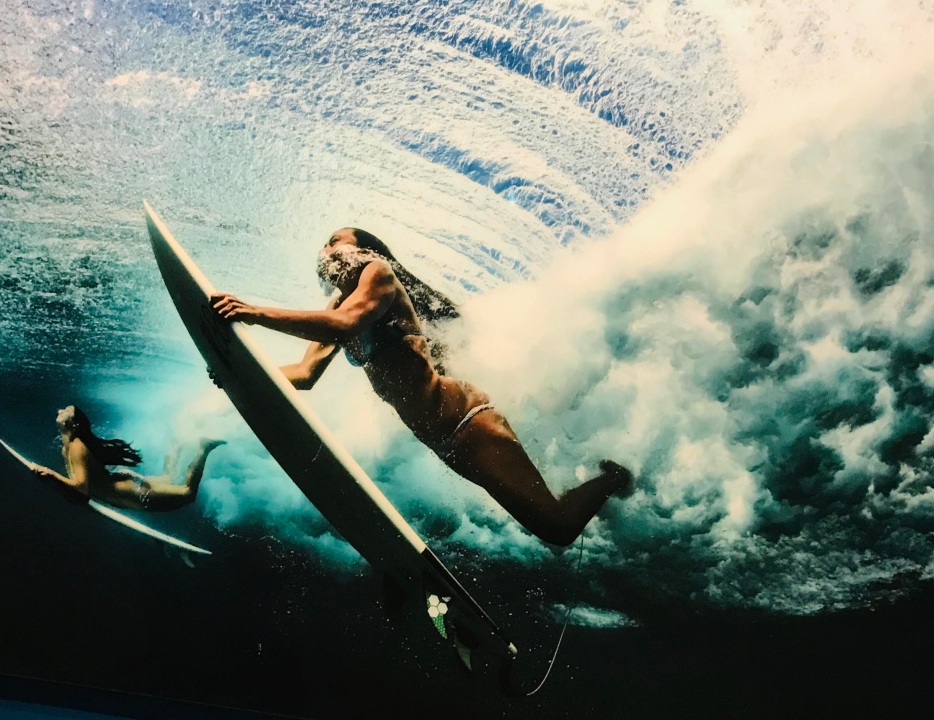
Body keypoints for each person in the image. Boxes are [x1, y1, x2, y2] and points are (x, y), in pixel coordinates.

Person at [209, 228, 631, 547]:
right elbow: (305, 374)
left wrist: (255, 313)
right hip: (444, 443)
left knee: (557, 530)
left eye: (336, 241)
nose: (327, 249)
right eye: (324, 245)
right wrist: (239, 373)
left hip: (468, 423)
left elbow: (346, 324)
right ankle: (587, 486)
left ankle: (613, 476)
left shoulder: (379, 275)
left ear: (365, 250)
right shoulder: (335, 305)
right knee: (550, 527)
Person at [28, 404, 224, 512]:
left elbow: (81, 491)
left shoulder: (76, 447)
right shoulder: (68, 448)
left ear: (74, 424)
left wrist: (51, 476)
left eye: (67, 411)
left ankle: (204, 448)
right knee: (168, 477)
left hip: (138, 495)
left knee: (188, 493)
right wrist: (52, 480)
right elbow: (80, 493)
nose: (60, 410)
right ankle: (178, 440)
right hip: (130, 487)